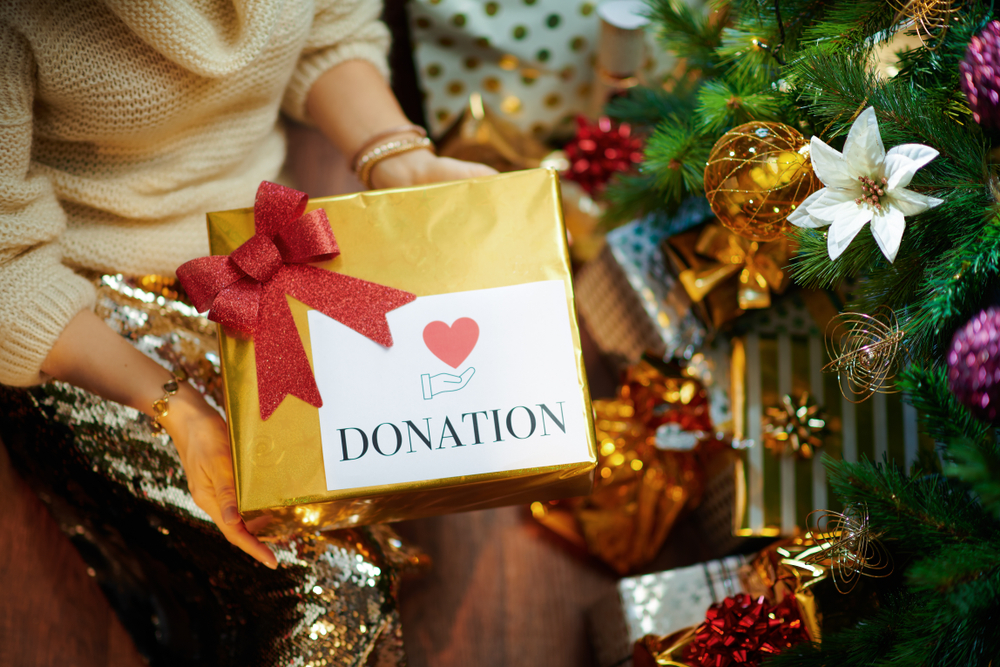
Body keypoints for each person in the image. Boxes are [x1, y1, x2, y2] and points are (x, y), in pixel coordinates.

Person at [0, 1, 494, 663]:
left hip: (262, 251)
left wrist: (399, 163)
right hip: (85, 309)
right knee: (328, 593)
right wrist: (181, 411)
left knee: (377, 464)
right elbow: (10, 276)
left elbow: (331, 28)